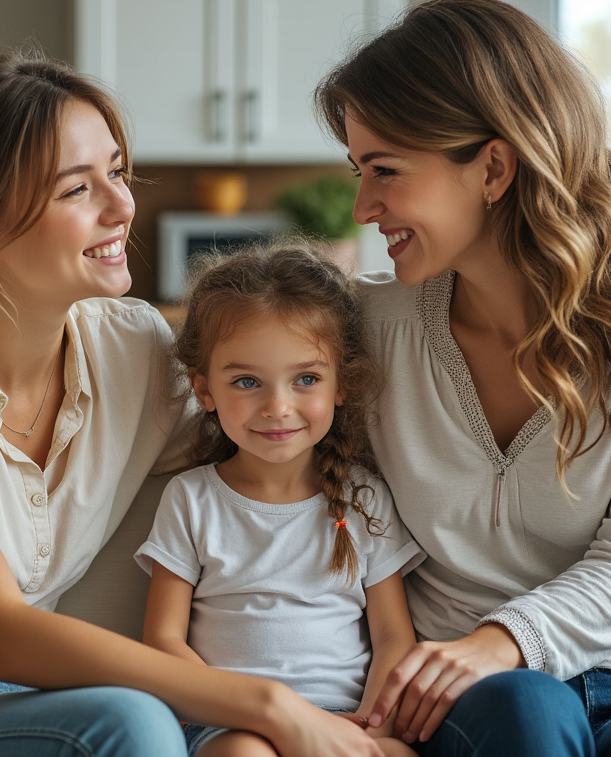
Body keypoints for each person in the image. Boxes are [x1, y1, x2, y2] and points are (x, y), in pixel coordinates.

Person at [0, 50, 391, 757]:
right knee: (131, 724)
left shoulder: (134, 348)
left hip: (24, 709)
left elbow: (268, 437)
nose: (123, 206)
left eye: (116, 171)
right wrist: (272, 706)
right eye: (77, 190)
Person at [313, 0, 611, 757]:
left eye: (384, 170)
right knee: (528, 713)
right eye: (358, 170)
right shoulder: (369, 326)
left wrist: (500, 639)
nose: (362, 206)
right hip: (476, 696)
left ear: (493, 167)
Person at [136, 242, 424, 757]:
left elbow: (393, 639)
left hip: (345, 718)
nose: (276, 406)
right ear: (204, 391)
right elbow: (163, 642)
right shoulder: (191, 498)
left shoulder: (364, 499)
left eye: (306, 379)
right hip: (231, 725)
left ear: (342, 384)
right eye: (247, 381)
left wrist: (374, 730)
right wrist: (236, 710)